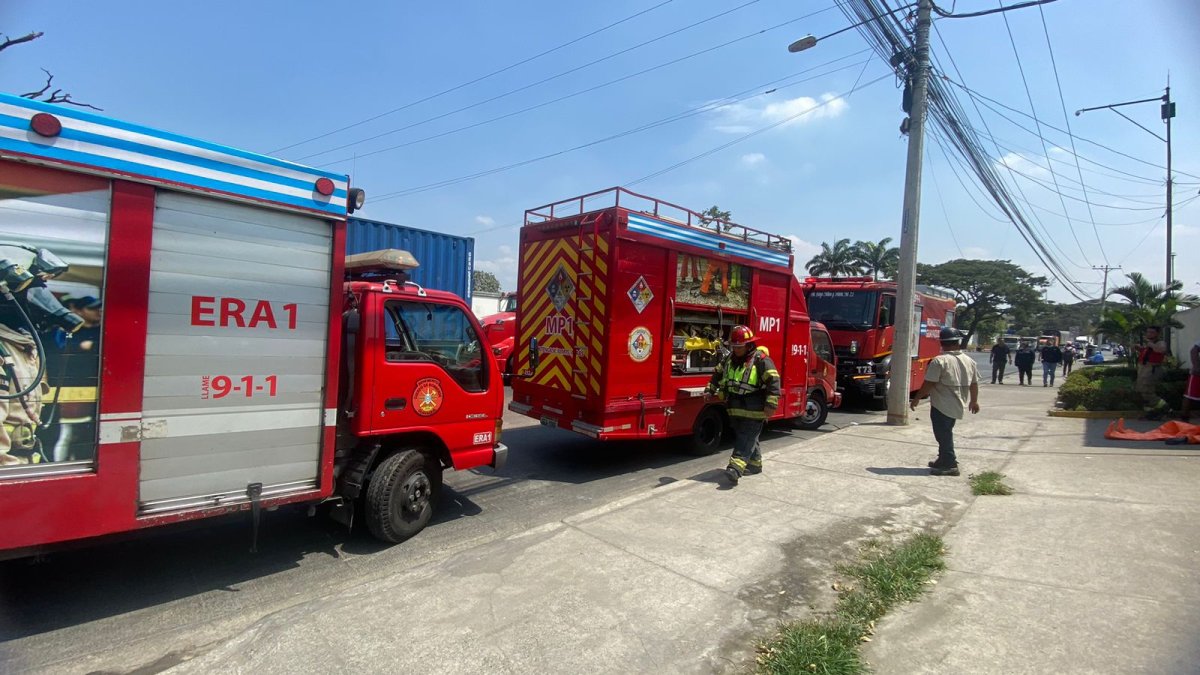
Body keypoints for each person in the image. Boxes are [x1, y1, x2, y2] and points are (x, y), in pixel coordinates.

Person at [705, 325, 780, 486]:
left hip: (755, 408)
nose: (736, 349)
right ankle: (755, 464)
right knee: (747, 437)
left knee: (745, 437)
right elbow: (717, 374)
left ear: (749, 344)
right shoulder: (729, 359)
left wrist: (771, 404)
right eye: (734, 346)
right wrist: (709, 390)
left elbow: (774, 381)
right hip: (735, 406)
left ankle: (735, 468)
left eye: (739, 346)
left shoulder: (761, 360)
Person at [910, 326, 980, 476]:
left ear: (942, 343)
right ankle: (943, 459)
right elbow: (974, 384)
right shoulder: (969, 361)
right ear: (958, 342)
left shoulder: (939, 361)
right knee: (945, 432)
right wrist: (974, 401)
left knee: (943, 434)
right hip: (958, 403)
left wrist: (916, 398)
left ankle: (950, 463)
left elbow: (929, 383)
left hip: (941, 404)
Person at [1136, 326, 1170, 419]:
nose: (1149, 334)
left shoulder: (1160, 343)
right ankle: (1151, 412)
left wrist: (1152, 345)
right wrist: (1140, 349)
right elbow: (1149, 353)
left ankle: (1165, 407)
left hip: (1152, 369)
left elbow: (1161, 349)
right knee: (1141, 390)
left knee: (1147, 390)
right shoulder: (1149, 344)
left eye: (1152, 332)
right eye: (1148, 332)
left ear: (1157, 334)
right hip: (1144, 368)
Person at [1182, 339, 1200, 422]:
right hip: (1198, 373)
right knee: (1190, 396)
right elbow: (1194, 350)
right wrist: (1196, 367)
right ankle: (1184, 421)